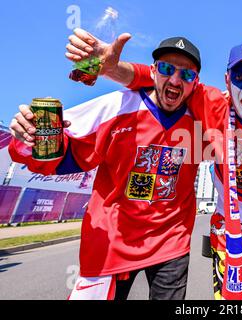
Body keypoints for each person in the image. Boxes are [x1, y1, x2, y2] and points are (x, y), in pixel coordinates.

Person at [65, 29, 242, 300]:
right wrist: (112, 69)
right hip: (232, 223)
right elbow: (167, 79)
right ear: (226, 80)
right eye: (239, 78)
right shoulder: (210, 102)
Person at [9, 36, 205, 300]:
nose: (174, 81)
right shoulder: (115, 106)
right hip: (113, 241)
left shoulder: (203, 120)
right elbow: (62, 156)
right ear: (153, 70)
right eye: (167, 69)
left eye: (187, 75)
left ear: (196, 82)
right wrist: (27, 138)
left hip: (170, 241)